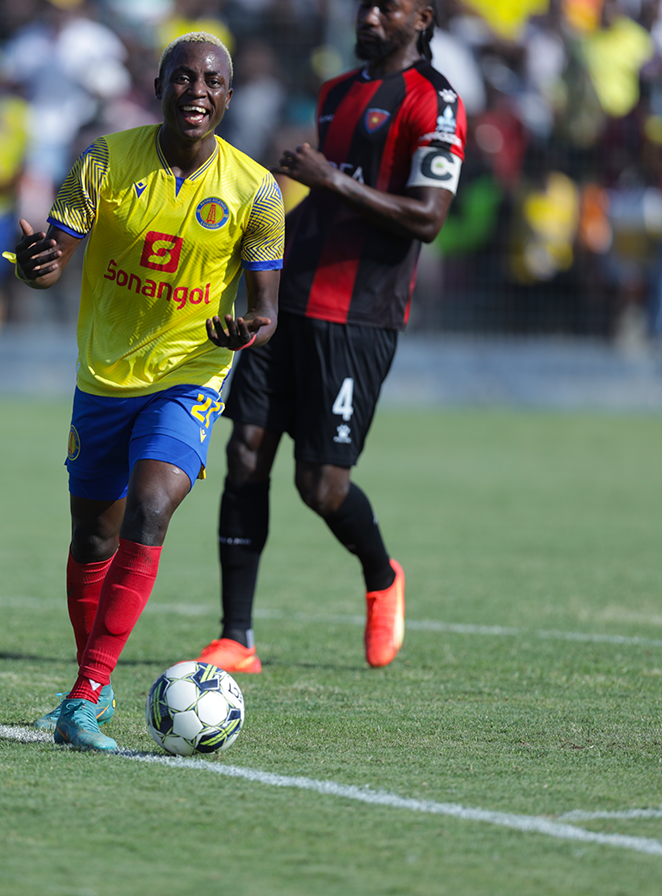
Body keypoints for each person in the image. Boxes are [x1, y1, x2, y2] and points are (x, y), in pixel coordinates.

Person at [13, 32, 284, 751]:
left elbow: (267, 311)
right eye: (184, 77)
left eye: (214, 81)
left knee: (154, 503)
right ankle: (90, 687)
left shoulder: (255, 191)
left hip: (190, 373)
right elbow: (51, 261)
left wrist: (245, 332)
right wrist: (34, 266)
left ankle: (84, 693)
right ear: (159, 83)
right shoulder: (104, 161)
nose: (199, 90)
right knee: (93, 535)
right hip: (103, 377)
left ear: (228, 95)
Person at [193, 0, 465, 675]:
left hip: (357, 315)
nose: (369, 16)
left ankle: (381, 575)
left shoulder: (436, 101)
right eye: (363, 5)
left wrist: (329, 180)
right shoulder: (336, 92)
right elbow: (314, 196)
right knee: (246, 452)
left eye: (388, 7)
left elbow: (428, 219)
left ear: (422, 18)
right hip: (285, 302)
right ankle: (237, 637)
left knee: (321, 485)